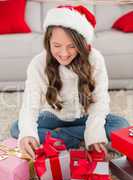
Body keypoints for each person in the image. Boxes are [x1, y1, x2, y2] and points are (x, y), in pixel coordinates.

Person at [10, 5, 129, 160]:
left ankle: (62, 138)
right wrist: (27, 135)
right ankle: (79, 138)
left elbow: (100, 101)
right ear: (48, 42)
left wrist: (94, 132)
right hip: (53, 116)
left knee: (121, 125)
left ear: (81, 44)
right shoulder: (38, 64)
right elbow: (29, 105)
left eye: (72, 46)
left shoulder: (95, 58)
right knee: (17, 128)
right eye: (57, 46)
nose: (64, 54)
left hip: (85, 115)